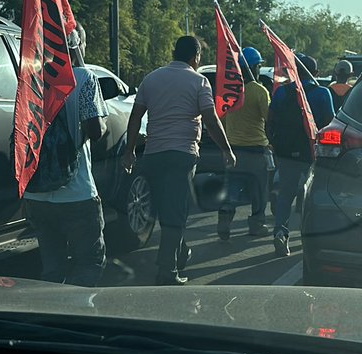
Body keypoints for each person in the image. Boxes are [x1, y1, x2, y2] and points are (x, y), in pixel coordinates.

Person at [123, 35, 236, 285]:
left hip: (153, 155)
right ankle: (168, 271)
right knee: (175, 213)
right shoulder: (199, 81)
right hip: (182, 155)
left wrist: (129, 151)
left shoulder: (151, 78)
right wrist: (226, 149)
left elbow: (135, 116)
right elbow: (210, 119)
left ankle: (179, 252)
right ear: (195, 57)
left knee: (167, 209)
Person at [24, 24, 109, 285]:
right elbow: (96, 131)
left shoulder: (31, 78)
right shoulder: (83, 77)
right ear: (76, 46)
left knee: (52, 268)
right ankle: (78, 307)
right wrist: (104, 122)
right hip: (76, 193)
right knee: (89, 262)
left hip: (35, 192)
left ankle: (50, 308)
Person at [268, 54, 334, 258]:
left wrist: (275, 144)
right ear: (316, 73)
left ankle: (280, 232)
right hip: (312, 152)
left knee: (285, 194)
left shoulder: (281, 92)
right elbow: (330, 123)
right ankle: (310, 236)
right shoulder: (322, 93)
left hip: (286, 151)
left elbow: (270, 121)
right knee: (313, 196)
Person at [217, 46, 273, 241]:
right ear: (254, 67)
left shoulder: (229, 92)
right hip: (256, 150)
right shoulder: (259, 91)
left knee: (232, 188)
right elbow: (269, 120)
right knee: (259, 190)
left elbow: (222, 120)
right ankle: (257, 225)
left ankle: (224, 219)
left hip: (233, 150)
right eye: (258, 66)